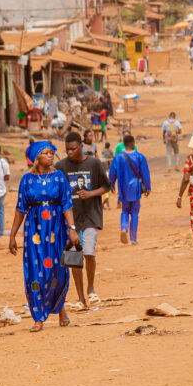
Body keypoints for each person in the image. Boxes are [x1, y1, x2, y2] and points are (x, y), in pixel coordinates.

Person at [8, 141, 79, 332]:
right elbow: (20, 209)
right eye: (46, 153)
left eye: (51, 153)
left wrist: (72, 228)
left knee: (57, 271)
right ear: (37, 158)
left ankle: (61, 309)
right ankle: (38, 317)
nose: (51, 156)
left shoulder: (59, 177)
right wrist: (12, 235)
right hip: (34, 232)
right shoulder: (26, 180)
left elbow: (67, 204)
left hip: (57, 229)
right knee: (35, 272)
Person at [56, 132, 112, 309]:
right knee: (73, 257)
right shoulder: (61, 166)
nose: (70, 153)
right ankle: (81, 298)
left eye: (73, 149)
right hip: (70, 220)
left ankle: (91, 289)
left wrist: (90, 194)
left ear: (81, 146)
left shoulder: (94, 163)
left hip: (90, 216)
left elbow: (106, 186)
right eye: (67, 150)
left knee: (88, 252)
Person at [109, 135, 151, 245]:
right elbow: (145, 174)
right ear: (133, 144)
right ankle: (133, 239)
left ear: (124, 144)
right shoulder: (139, 157)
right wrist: (147, 187)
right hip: (136, 187)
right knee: (135, 213)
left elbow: (112, 173)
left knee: (124, 210)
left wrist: (112, 184)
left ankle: (123, 228)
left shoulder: (118, 157)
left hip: (123, 188)